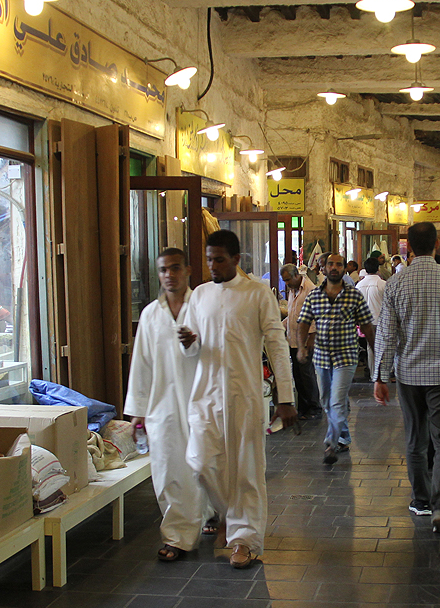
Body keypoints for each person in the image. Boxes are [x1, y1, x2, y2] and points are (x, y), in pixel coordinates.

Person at [179, 230, 296, 569]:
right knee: (200, 463)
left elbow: (277, 345)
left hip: (244, 395)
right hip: (205, 395)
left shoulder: (257, 294)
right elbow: (191, 348)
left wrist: (285, 398)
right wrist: (188, 342)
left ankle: (244, 541)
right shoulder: (199, 296)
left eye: (219, 259)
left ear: (236, 260)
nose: (213, 266)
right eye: (209, 259)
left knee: (246, 470)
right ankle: (229, 513)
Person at [374, 222, 440, 534]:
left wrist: (381, 376)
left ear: (408, 248)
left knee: (415, 439)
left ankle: (421, 500)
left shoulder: (395, 283)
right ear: (436, 244)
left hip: (408, 374)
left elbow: (387, 334)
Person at [125, 249, 212, 561]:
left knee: (205, 466)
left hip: (202, 401)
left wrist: (197, 344)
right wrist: (138, 412)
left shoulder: (203, 309)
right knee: (167, 470)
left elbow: (220, 352)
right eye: (163, 270)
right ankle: (177, 537)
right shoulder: (150, 315)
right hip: (162, 406)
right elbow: (141, 365)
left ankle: (211, 512)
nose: (169, 275)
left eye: (175, 268)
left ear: (188, 270)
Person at [296, 253, 375, 464]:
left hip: (345, 357)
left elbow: (366, 324)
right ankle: (343, 436)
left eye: (338, 264)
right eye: (330, 264)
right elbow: (303, 322)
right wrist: (301, 347)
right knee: (327, 401)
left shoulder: (354, 295)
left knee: (337, 400)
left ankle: (331, 443)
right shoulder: (314, 296)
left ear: (344, 269)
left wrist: (375, 349)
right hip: (321, 358)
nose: (334, 268)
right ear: (324, 268)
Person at [280, 263, 322, 421]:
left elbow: (317, 316)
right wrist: (279, 326)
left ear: (297, 275)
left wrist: (312, 337)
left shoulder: (311, 290)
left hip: (305, 340)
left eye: (288, 279)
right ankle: (303, 407)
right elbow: (292, 316)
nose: (287, 283)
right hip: (293, 340)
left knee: (307, 374)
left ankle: (314, 408)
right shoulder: (292, 291)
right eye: (284, 280)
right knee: (298, 375)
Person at [354, 257, 386, 376]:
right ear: (378, 268)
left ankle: (374, 373)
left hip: (365, 323)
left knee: (370, 348)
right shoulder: (382, 284)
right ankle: (383, 372)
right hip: (380, 320)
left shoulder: (359, 286)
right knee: (383, 347)